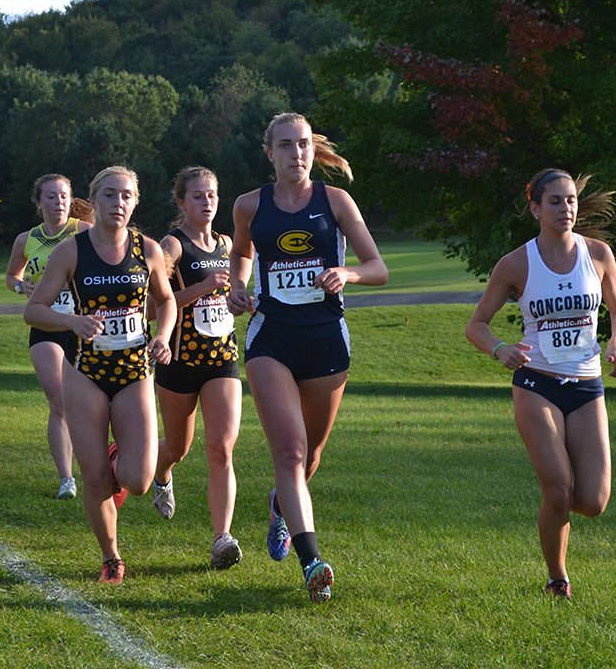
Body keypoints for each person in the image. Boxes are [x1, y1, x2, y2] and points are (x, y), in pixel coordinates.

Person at [228, 112, 388, 604]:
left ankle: (280, 503)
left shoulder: (335, 201)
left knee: (311, 455)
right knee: (291, 452)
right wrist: (237, 286)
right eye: (286, 146)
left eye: (303, 145)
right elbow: (240, 255)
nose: (296, 154)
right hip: (270, 338)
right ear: (269, 152)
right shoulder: (249, 205)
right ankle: (312, 560)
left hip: (325, 341)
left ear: (311, 151)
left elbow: (377, 267)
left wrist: (348, 274)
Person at [465, 168, 616, 600]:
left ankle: (554, 511)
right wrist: (499, 347)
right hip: (536, 382)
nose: (566, 208)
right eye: (555, 201)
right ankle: (557, 576)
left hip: (587, 385)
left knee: (592, 501)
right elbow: (476, 325)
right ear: (535, 208)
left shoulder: (599, 255)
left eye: (571, 199)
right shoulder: (517, 263)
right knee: (558, 488)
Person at [24, 166, 176, 584]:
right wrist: (73, 323)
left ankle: (116, 455)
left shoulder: (146, 249)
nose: (118, 203)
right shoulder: (71, 251)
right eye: (110, 195)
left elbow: (166, 301)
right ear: (95, 201)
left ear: (136, 202)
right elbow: (33, 310)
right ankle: (111, 556)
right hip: (85, 372)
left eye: (126, 196)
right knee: (93, 478)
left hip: (134, 372)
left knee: (137, 480)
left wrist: (163, 335)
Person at [151, 166, 245, 570]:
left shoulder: (229, 243)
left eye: (212, 195)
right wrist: (203, 288)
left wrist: (243, 300)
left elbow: (237, 293)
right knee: (177, 447)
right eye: (198, 196)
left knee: (221, 448)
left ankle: (222, 538)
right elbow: (157, 304)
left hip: (223, 358)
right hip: (179, 360)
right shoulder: (172, 246)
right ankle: (161, 474)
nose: (207, 202)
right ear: (181, 202)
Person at [6, 174, 91, 500]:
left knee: (89, 402)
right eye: (51, 197)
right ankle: (67, 478)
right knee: (59, 398)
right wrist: (20, 286)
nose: (58, 203)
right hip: (46, 326)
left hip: (83, 325)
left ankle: (99, 461)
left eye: (64, 197)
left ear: (71, 201)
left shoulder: (83, 231)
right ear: (38, 202)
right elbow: (13, 275)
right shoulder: (26, 240)